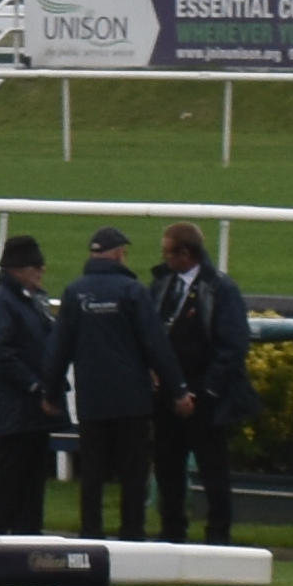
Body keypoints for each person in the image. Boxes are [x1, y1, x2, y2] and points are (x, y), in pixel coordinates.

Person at [58, 227, 169, 539]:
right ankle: (132, 534)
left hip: (92, 399)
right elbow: (155, 345)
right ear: (119, 253)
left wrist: (51, 389)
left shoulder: (74, 291)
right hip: (131, 399)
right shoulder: (133, 291)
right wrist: (177, 388)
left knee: (92, 471)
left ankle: (90, 534)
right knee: (133, 473)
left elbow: (59, 347)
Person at [154, 221, 252, 543]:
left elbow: (234, 345)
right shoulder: (161, 285)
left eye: (168, 252)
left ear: (186, 253)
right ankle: (172, 532)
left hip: (205, 396)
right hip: (167, 393)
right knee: (167, 468)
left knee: (213, 470)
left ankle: (218, 535)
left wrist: (205, 390)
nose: (164, 258)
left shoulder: (221, 289)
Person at [0, 235, 64, 535]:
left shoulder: (31, 299)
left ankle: (27, 545)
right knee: (7, 484)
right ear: (16, 269)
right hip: (14, 411)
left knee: (31, 485)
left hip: (33, 411)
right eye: (35, 267)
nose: (42, 271)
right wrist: (34, 386)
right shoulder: (0, 301)